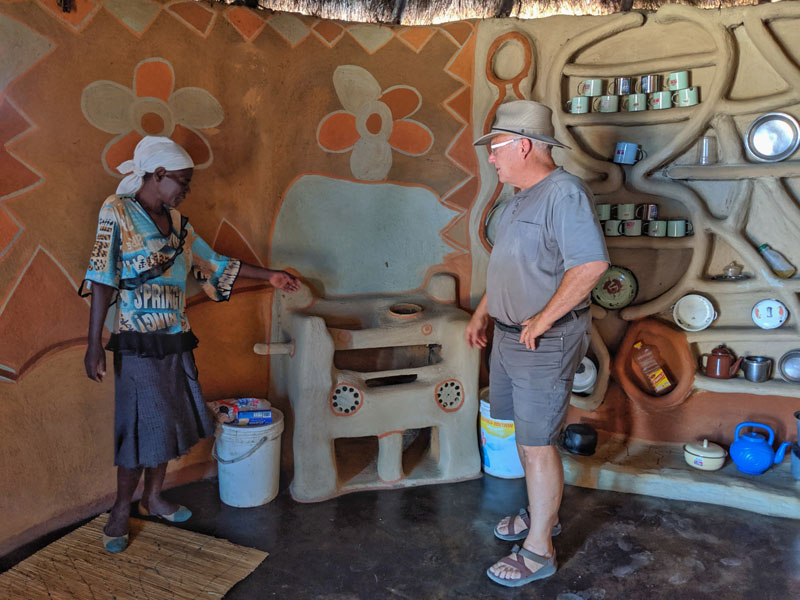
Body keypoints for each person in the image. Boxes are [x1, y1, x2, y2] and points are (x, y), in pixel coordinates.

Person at [81, 136, 300, 553]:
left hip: (177, 341)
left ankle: (154, 497)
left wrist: (269, 274)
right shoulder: (118, 212)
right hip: (136, 344)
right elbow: (101, 277)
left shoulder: (181, 226)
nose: (186, 189)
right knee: (135, 429)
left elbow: (216, 262)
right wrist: (95, 344)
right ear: (158, 175)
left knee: (168, 421)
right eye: (182, 180)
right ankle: (119, 511)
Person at [466, 101, 609, 587]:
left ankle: (539, 550)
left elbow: (590, 266)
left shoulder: (564, 193)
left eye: (497, 148)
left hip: (541, 341)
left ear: (524, 145)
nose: (491, 159)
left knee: (537, 442)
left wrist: (543, 320)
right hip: (511, 338)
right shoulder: (519, 197)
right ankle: (539, 513)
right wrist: (483, 312)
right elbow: (508, 266)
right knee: (527, 439)